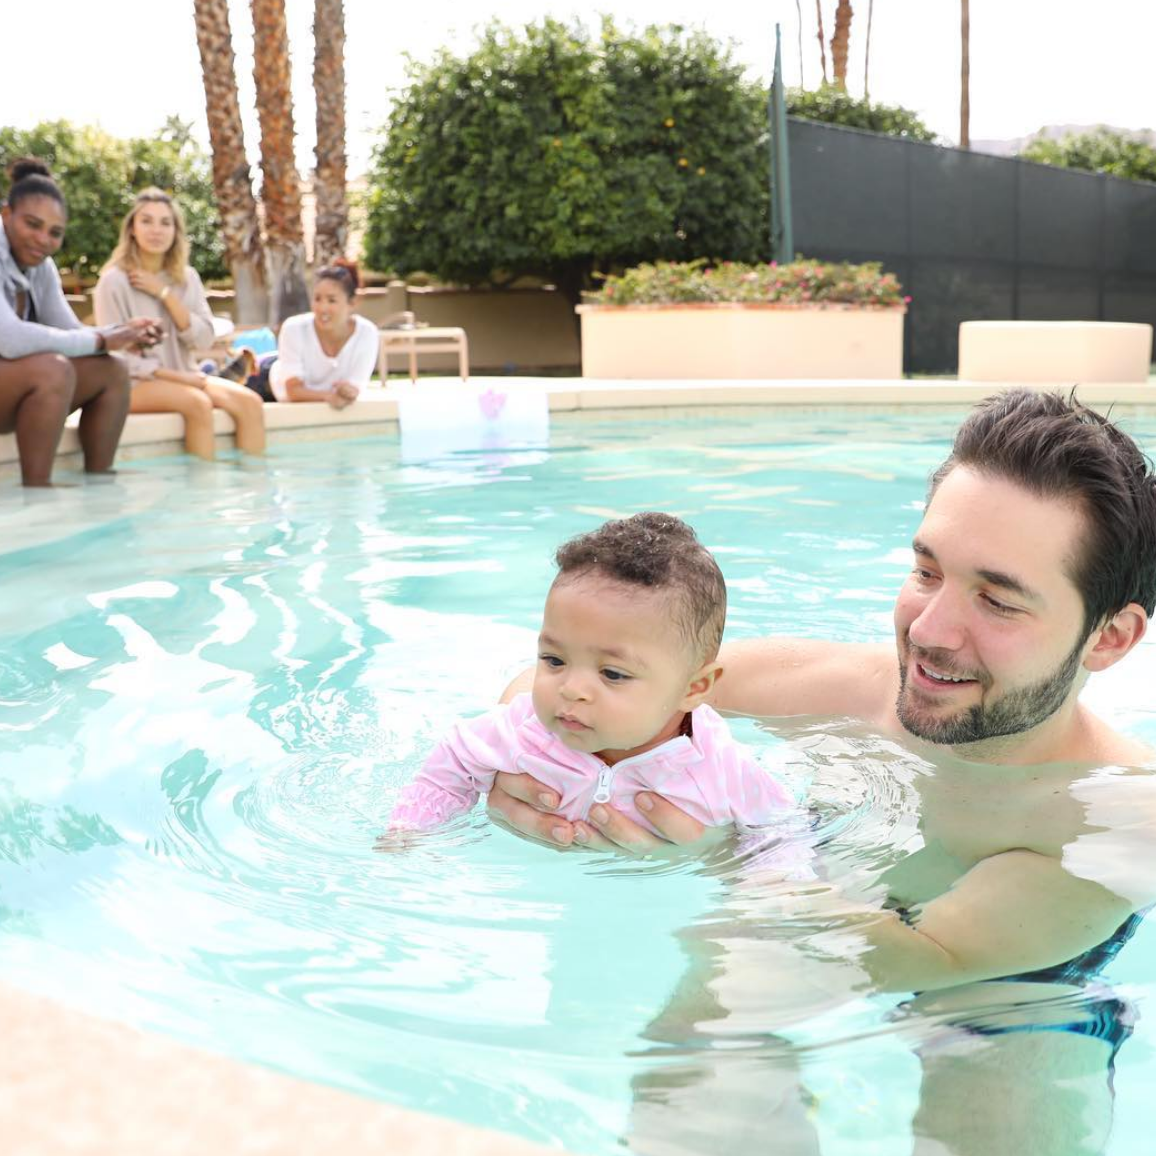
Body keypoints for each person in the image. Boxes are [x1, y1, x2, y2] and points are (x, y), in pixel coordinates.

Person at [487, 390, 1156, 1152]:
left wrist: (725, 850)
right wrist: (534, 761)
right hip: (822, 897)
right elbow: (574, 683)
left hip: (1019, 990)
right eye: (927, 571)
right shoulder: (852, 691)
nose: (929, 631)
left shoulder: (1115, 819)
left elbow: (918, 958)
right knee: (691, 1082)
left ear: (1110, 638)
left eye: (997, 601)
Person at [383, 513, 794, 839]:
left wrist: (771, 883)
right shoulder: (524, 730)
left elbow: (780, 833)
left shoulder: (720, 768)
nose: (572, 689)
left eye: (612, 673)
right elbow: (452, 761)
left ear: (694, 687)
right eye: (554, 660)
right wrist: (411, 830)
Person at [0, 158, 160, 486]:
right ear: (6, 214)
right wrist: (101, 340)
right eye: (32, 224)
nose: (43, 239)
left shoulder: (41, 267)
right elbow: (9, 339)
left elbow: (70, 332)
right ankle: (38, 493)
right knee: (53, 369)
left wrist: (123, 333)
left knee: (112, 370)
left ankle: (101, 487)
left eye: (54, 232)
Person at [93, 188, 266, 459]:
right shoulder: (113, 282)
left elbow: (204, 339)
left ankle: (254, 484)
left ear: (176, 231)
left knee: (251, 403)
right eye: (146, 221)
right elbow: (115, 356)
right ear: (132, 229)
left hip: (187, 377)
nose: (156, 230)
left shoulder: (188, 278)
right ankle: (203, 485)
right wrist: (180, 378)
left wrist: (164, 294)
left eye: (165, 222)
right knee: (197, 404)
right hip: (131, 384)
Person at [266, 261, 378, 408]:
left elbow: (355, 388)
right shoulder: (293, 328)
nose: (322, 308)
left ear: (352, 302)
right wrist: (329, 396)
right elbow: (293, 391)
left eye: (332, 300)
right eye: (317, 299)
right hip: (267, 387)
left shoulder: (367, 333)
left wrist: (348, 392)